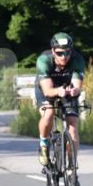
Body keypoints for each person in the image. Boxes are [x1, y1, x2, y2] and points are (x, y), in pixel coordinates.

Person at [35, 32, 86, 170]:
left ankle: (71, 164)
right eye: (59, 53)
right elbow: (47, 91)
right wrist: (58, 92)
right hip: (47, 88)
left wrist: (75, 90)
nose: (64, 57)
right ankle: (44, 144)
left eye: (67, 53)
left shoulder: (77, 59)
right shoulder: (44, 60)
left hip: (66, 88)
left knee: (73, 123)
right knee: (49, 113)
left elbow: (76, 85)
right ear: (53, 51)